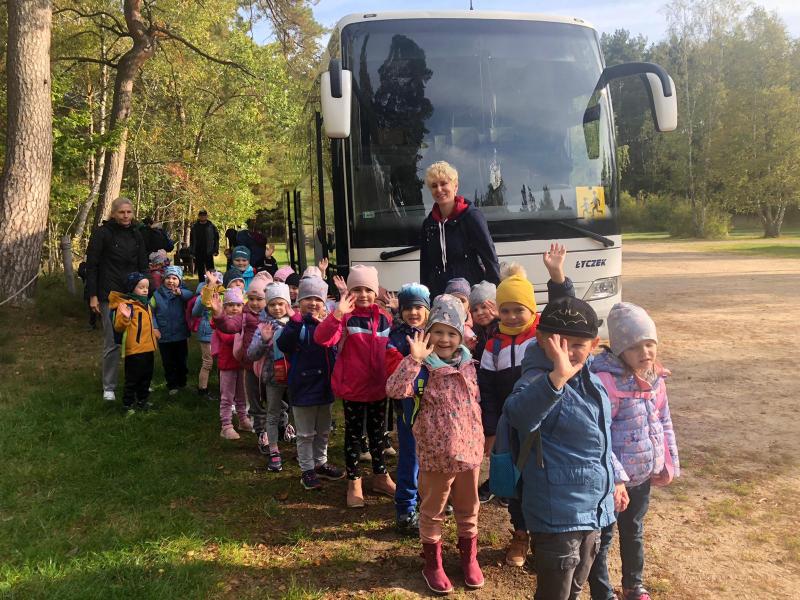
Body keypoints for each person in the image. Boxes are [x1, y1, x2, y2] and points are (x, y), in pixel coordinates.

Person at [503, 296, 629, 600]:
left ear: (594, 343)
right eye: (559, 342)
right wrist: (556, 379)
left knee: (575, 586)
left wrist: (616, 480)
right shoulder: (538, 380)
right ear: (542, 339)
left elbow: (601, 442)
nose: (568, 352)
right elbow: (518, 414)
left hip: (592, 509)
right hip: (556, 514)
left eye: (577, 344)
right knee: (555, 592)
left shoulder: (593, 381)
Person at [479, 245, 573, 567]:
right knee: (515, 482)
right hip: (511, 427)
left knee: (544, 479)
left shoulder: (543, 336)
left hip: (546, 423)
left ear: (532, 310)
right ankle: (520, 534)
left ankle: (547, 536)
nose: (511, 316)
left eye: (518, 309)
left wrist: (557, 275)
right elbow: (488, 391)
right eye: (504, 310)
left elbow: (565, 306)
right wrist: (490, 429)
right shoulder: (492, 345)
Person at [386, 295, 485, 594]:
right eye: (438, 332)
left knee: (469, 508)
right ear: (428, 333)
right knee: (432, 510)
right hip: (435, 454)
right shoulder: (422, 367)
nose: (444, 339)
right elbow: (393, 389)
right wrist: (413, 359)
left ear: (460, 335)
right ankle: (433, 563)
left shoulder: (469, 363)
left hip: (469, 452)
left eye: (451, 333)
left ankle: (470, 559)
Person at [588, 303, 680, 600]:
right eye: (636, 346)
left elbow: (664, 420)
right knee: (603, 537)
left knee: (634, 531)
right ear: (618, 350)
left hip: (641, 476)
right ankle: (602, 592)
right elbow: (599, 432)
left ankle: (633, 585)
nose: (646, 353)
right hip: (612, 481)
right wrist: (615, 477)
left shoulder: (656, 379)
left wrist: (667, 462)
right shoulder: (605, 381)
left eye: (650, 344)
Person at [313, 265, 395, 508]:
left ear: (375, 292)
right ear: (349, 291)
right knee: (354, 436)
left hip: (379, 387)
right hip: (354, 389)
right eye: (356, 289)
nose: (362, 295)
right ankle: (354, 481)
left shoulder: (385, 318)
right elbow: (323, 339)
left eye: (367, 289)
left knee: (379, 434)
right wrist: (337, 314)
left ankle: (380, 476)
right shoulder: (345, 317)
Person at [277, 276, 344, 490]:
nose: (313, 303)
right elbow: (284, 344)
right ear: (299, 301)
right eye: (308, 299)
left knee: (323, 429)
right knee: (305, 433)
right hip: (303, 386)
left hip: (325, 385)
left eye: (318, 299)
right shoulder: (296, 325)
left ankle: (321, 462)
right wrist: (295, 323)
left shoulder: (327, 323)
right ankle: (307, 469)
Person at [85, 197, 148, 402]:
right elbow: (92, 266)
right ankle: (109, 386)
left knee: (136, 340)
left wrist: (146, 289)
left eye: (129, 212)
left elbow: (143, 265)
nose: (126, 216)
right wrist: (93, 295)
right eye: (121, 212)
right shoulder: (102, 234)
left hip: (133, 294)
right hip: (109, 294)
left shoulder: (137, 235)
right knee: (112, 341)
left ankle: (137, 383)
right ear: (113, 213)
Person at [384, 282, 431, 535]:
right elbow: (393, 371)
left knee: (431, 456)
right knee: (410, 457)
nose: (413, 313)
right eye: (408, 308)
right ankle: (405, 508)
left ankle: (430, 499)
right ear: (401, 311)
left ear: (427, 309)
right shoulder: (396, 338)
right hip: (408, 410)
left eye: (418, 307)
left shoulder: (435, 334)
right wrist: (413, 359)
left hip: (434, 410)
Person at [419, 161, 500, 297]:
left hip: (469, 295)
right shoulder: (428, 224)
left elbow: (489, 258)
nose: (439, 189)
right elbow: (425, 267)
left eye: (443, 183)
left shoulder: (471, 216)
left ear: (455, 186)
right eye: (434, 186)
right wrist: (424, 297)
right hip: (438, 297)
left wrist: (492, 294)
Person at [247, 282, 292, 471]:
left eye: (281, 303)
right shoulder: (263, 327)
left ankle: (303, 450)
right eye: (272, 304)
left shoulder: (295, 323)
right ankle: (274, 450)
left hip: (295, 377)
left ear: (288, 304)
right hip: (274, 378)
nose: (277, 308)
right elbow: (252, 354)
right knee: (272, 413)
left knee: (297, 412)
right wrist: (264, 342)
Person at [109, 272, 160, 413]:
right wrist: (125, 318)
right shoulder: (127, 305)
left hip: (148, 347)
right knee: (132, 378)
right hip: (135, 349)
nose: (145, 290)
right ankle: (128, 404)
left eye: (147, 287)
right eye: (141, 287)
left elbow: (148, 322)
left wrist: (154, 330)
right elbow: (118, 327)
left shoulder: (146, 304)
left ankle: (142, 401)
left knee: (146, 377)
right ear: (132, 288)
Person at [210, 287, 248, 439]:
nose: (234, 308)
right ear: (224, 307)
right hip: (226, 365)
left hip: (240, 364)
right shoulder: (221, 324)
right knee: (227, 396)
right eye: (230, 305)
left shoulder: (242, 322)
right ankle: (226, 425)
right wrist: (244, 335)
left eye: (238, 305)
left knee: (242, 394)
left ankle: (243, 419)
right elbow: (228, 338)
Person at [151, 266, 194, 395]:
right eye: (168, 278)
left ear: (180, 281)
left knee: (181, 361)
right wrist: (155, 327)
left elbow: (190, 296)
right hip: (164, 335)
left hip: (180, 334)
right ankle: (172, 385)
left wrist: (180, 293)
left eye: (174, 278)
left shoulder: (183, 293)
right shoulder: (157, 294)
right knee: (168, 362)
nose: (171, 281)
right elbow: (150, 312)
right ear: (163, 280)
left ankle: (182, 382)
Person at [194, 271, 225, 398]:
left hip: (221, 332)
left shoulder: (223, 295)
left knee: (222, 362)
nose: (213, 285)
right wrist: (203, 299)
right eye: (210, 282)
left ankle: (223, 387)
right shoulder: (201, 296)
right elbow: (195, 313)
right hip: (206, 333)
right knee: (207, 362)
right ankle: (202, 390)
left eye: (216, 282)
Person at [469, 280, 499, 359]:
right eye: (475, 310)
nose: (479, 313)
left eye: (484, 307)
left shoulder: (504, 327)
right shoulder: (473, 334)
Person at [189, 210, 220, 280]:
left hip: (209, 251)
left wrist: (216, 250)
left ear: (206, 216)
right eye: (201, 215)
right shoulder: (194, 227)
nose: (202, 217)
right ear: (199, 216)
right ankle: (201, 284)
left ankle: (212, 282)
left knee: (211, 269)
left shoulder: (211, 226)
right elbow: (191, 240)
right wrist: (191, 251)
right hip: (198, 251)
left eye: (204, 215)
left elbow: (216, 239)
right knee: (200, 269)